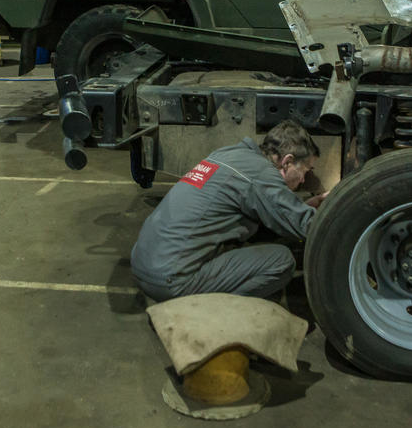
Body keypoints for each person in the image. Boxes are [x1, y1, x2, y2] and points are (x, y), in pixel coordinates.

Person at [130, 119, 327, 301]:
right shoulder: (261, 174)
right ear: (287, 162)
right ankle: (215, 313)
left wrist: (301, 208)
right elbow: (308, 227)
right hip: (171, 280)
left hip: (144, 267)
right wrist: (333, 211)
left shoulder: (230, 154)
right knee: (281, 261)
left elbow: (269, 207)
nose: (303, 180)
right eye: (306, 170)